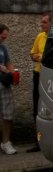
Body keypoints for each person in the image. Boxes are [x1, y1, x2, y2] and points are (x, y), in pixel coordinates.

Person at [28, 13, 50, 152]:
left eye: (44, 22)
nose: (41, 24)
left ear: (51, 24)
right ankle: (38, 141)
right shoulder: (40, 36)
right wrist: (36, 56)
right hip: (38, 74)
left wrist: (43, 57)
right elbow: (32, 54)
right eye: (41, 22)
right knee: (37, 107)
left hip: (50, 77)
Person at [0, 23, 17, 155]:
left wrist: (13, 74)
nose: (3, 39)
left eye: (5, 37)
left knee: (8, 114)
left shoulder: (3, 48)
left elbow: (8, 63)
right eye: (2, 36)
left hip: (4, 84)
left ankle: (6, 142)